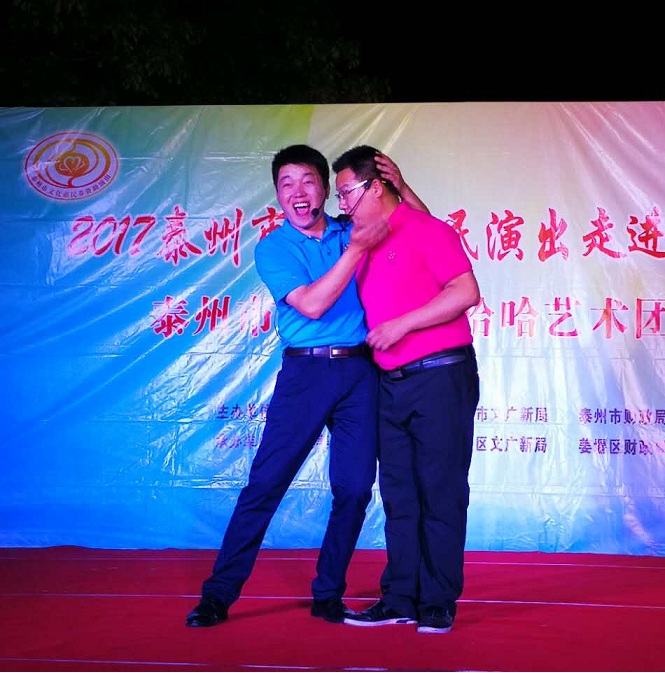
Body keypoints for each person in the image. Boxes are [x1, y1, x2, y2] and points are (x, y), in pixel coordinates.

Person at [185, 144, 429, 627]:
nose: (298, 192)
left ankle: (328, 592)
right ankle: (218, 595)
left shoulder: (351, 228)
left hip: (361, 372)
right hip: (306, 374)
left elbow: (424, 232)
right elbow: (313, 305)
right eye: (286, 184)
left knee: (354, 489)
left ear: (326, 188)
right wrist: (357, 249)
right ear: (278, 194)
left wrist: (400, 188)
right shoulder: (275, 247)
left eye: (308, 181)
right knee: (265, 484)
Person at [332, 145, 481, 635]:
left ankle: (437, 601)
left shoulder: (426, 229)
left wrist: (401, 325)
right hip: (390, 382)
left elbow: (465, 292)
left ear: (376, 187)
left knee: (440, 489)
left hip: (440, 376)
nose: (342, 204)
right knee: (398, 492)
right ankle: (399, 597)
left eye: (347, 193)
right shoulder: (361, 243)